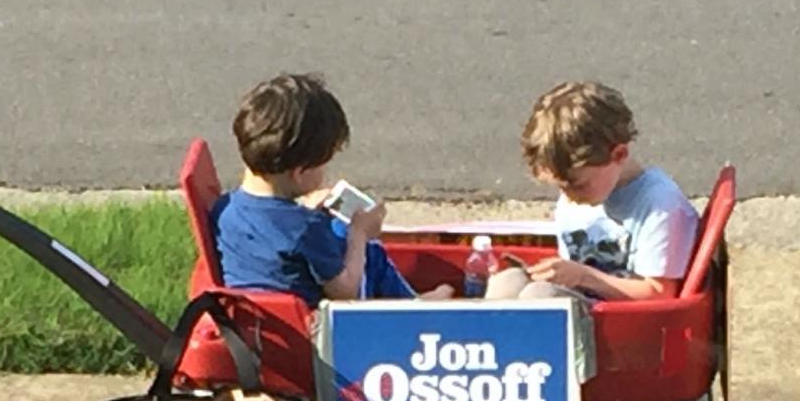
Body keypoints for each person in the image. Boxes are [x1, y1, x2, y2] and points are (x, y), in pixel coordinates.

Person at [210, 73, 435, 307]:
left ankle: (413, 301)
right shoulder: (306, 228)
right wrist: (360, 233)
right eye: (323, 163)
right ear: (299, 173)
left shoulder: (224, 208)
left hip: (264, 316)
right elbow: (346, 291)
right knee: (370, 253)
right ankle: (415, 307)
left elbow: (274, 230)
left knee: (337, 230)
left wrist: (304, 208)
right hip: (313, 326)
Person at [486, 81, 700, 301]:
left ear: (618, 154)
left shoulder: (660, 206)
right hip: (584, 301)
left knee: (539, 296)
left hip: (625, 320)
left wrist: (583, 277)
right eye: (560, 186)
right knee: (507, 282)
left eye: (578, 185)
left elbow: (659, 294)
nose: (569, 196)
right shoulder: (579, 198)